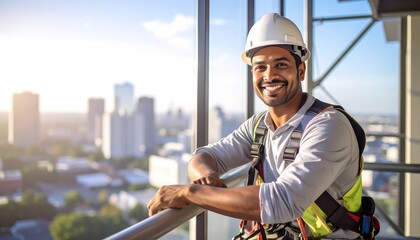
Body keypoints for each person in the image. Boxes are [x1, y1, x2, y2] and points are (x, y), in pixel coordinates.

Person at [148, 13, 366, 239]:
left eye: (280, 64)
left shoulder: (328, 126)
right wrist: (207, 176)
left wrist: (192, 193)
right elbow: (204, 155)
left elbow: (283, 201)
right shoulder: (259, 126)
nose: (269, 75)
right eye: (260, 67)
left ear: (300, 71)